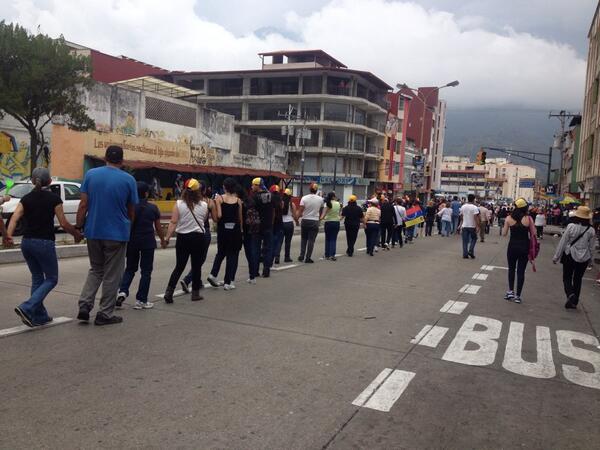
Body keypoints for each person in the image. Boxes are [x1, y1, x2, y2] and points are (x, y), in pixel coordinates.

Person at [6, 168, 81, 327]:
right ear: (50, 182)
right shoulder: (54, 199)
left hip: (27, 243)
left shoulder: (25, 198)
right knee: (52, 278)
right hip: (44, 243)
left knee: (38, 278)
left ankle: (39, 315)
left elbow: (14, 217)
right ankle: (27, 307)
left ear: (33, 181)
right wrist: (76, 234)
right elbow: (63, 223)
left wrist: (9, 235)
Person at [75, 146, 138, 326]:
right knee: (112, 274)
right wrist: (128, 228)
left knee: (96, 269)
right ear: (122, 160)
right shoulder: (129, 180)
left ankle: (85, 305)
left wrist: (79, 227)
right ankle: (105, 313)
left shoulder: (91, 175)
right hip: (116, 233)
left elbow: (83, 205)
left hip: (93, 231)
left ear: (105, 158)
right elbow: (131, 210)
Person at [117, 182, 165, 310]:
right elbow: (158, 227)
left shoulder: (130, 207)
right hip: (148, 242)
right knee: (146, 271)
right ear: (146, 193)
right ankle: (141, 300)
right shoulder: (153, 208)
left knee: (130, 269)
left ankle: (122, 291)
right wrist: (163, 240)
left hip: (132, 241)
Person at [162, 178, 209, 303]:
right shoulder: (204, 205)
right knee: (196, 266)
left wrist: (167, 238)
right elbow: (203, 221)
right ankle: (195, 294)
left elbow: (173, 222)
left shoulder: (178, 204)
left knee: (179, 266)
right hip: (198, 238)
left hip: (183, 238)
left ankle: (169, 292)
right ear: (198, 191)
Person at [553, 206, 596, 309]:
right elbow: (592, 247)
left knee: (567, 277)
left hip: (569, 255)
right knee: (578, 279)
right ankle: (574, 302)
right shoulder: (591, 230)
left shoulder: (571, 226)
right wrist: (591, 260)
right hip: (584, 257)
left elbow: (563, 242)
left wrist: (556, 256)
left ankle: (570, 294)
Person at [206, 178, 243, 291]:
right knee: (232, 255)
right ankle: (228, 282)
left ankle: (213, 274)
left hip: (223, 230)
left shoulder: (220, 198)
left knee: (221, 252)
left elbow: (219, 215)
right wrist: (241, 231)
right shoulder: (238, 200)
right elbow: (240, 218)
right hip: (235, 230)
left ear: (224, 187)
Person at [180, 183, 216, 293]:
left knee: (194, 258)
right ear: (204, 191)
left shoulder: (187, 201)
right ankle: (188, 279)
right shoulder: (208, 202)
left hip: (188, 231)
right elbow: (215, 218)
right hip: (203, 230)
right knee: (201, 258)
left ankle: (198, 280)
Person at [502, 198, 535, 304]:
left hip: (512, 247)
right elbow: (534, 233)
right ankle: (518, 296)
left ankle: (510, 291)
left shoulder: (509, 218)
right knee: (521, 271)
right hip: (524, 247)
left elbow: (504, 233)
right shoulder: (528, 219)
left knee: (511, 269)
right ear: (525, 207)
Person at [249, 178, 274, 278]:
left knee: (256, 249)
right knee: (267, 249)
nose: (251, 187)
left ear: (257, 186)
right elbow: (274, 210)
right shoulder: (270, 196)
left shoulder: (254, 197)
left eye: (253, 185)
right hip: (268, 226)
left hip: (257, 226)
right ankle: (266, 270)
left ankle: (255, 271)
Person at [297, 183, 323, 263]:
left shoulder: (304, 198)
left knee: (304, 239)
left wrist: (296, 219)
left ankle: (301, 255)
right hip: (314, 221)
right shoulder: (320, 199)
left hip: (305, 220)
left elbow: (300, 210)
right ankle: (308, 258)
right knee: (311, 240)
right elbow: (321, 210)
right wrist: (319, 219)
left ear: (309, 189)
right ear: (316, 190)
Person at [274, 188, 296, 263]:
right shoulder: (291, 204)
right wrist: (297, 221)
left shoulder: (280, 203)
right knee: (288, 242)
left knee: (279, 241)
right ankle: (287, 257)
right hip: (289, 223)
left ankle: (277, 257)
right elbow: (294, 215)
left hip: (281, 223)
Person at [458, 194, 480, 259]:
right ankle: (470, 250)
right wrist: (477, 226)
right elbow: (475, 217)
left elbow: (461, 216)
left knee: (465, 241)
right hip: (472, 226)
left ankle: (465, 254)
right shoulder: (474, 207)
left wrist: (461, 223)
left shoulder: (463, 206)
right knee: (474, 238)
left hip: (464, 225)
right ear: (474, 199)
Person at [321, 192, 341, 260]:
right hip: (336, 223)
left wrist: (320, 219)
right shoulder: (338, 203)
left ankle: (327, 255)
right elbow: (339, 213)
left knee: (328, 239)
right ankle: (332, 255)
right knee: (333, 239)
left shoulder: (327, 204)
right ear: (333, 197)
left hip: (328, 222)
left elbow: (323, 215)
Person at [269, 185, 284, 265]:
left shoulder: (270, 200)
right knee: (278, 241)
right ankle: (277, 256)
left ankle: (269, 259)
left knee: (270, 242)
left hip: (272, 224)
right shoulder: (281, 201)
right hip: (280, 222)